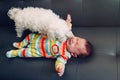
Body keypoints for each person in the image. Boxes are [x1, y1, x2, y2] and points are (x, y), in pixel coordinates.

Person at [6, 33, 92, 77]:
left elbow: (60, 62)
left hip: (37, 51)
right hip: (38, 38)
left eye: (75, 45)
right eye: (77, 39)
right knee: (30, 36)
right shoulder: (66, 36)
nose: (74, 40)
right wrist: (67, 22)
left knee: (25, 53)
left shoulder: (64, 55)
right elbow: (63, 27)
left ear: (73, 54)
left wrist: (60, 68)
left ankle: (15, 53)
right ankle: (20, 44)